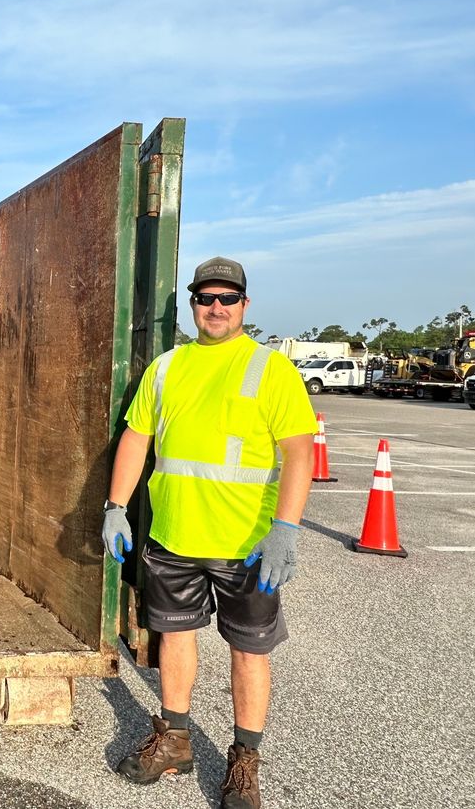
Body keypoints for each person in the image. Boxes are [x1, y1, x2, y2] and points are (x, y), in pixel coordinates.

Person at [103, 256, 316, 809]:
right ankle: (174, 739)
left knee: (249, 652)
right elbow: (136, 439)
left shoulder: (270, 369)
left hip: (246, 546)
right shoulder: (168, 368)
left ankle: (244, 763)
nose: (215, 308)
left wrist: (286, 529)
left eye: (227, 298)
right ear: (193, 304)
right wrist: (116, 506)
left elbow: (299, 451)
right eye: (205, 298)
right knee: (175, 636)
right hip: (174, 539)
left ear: (245, 305)